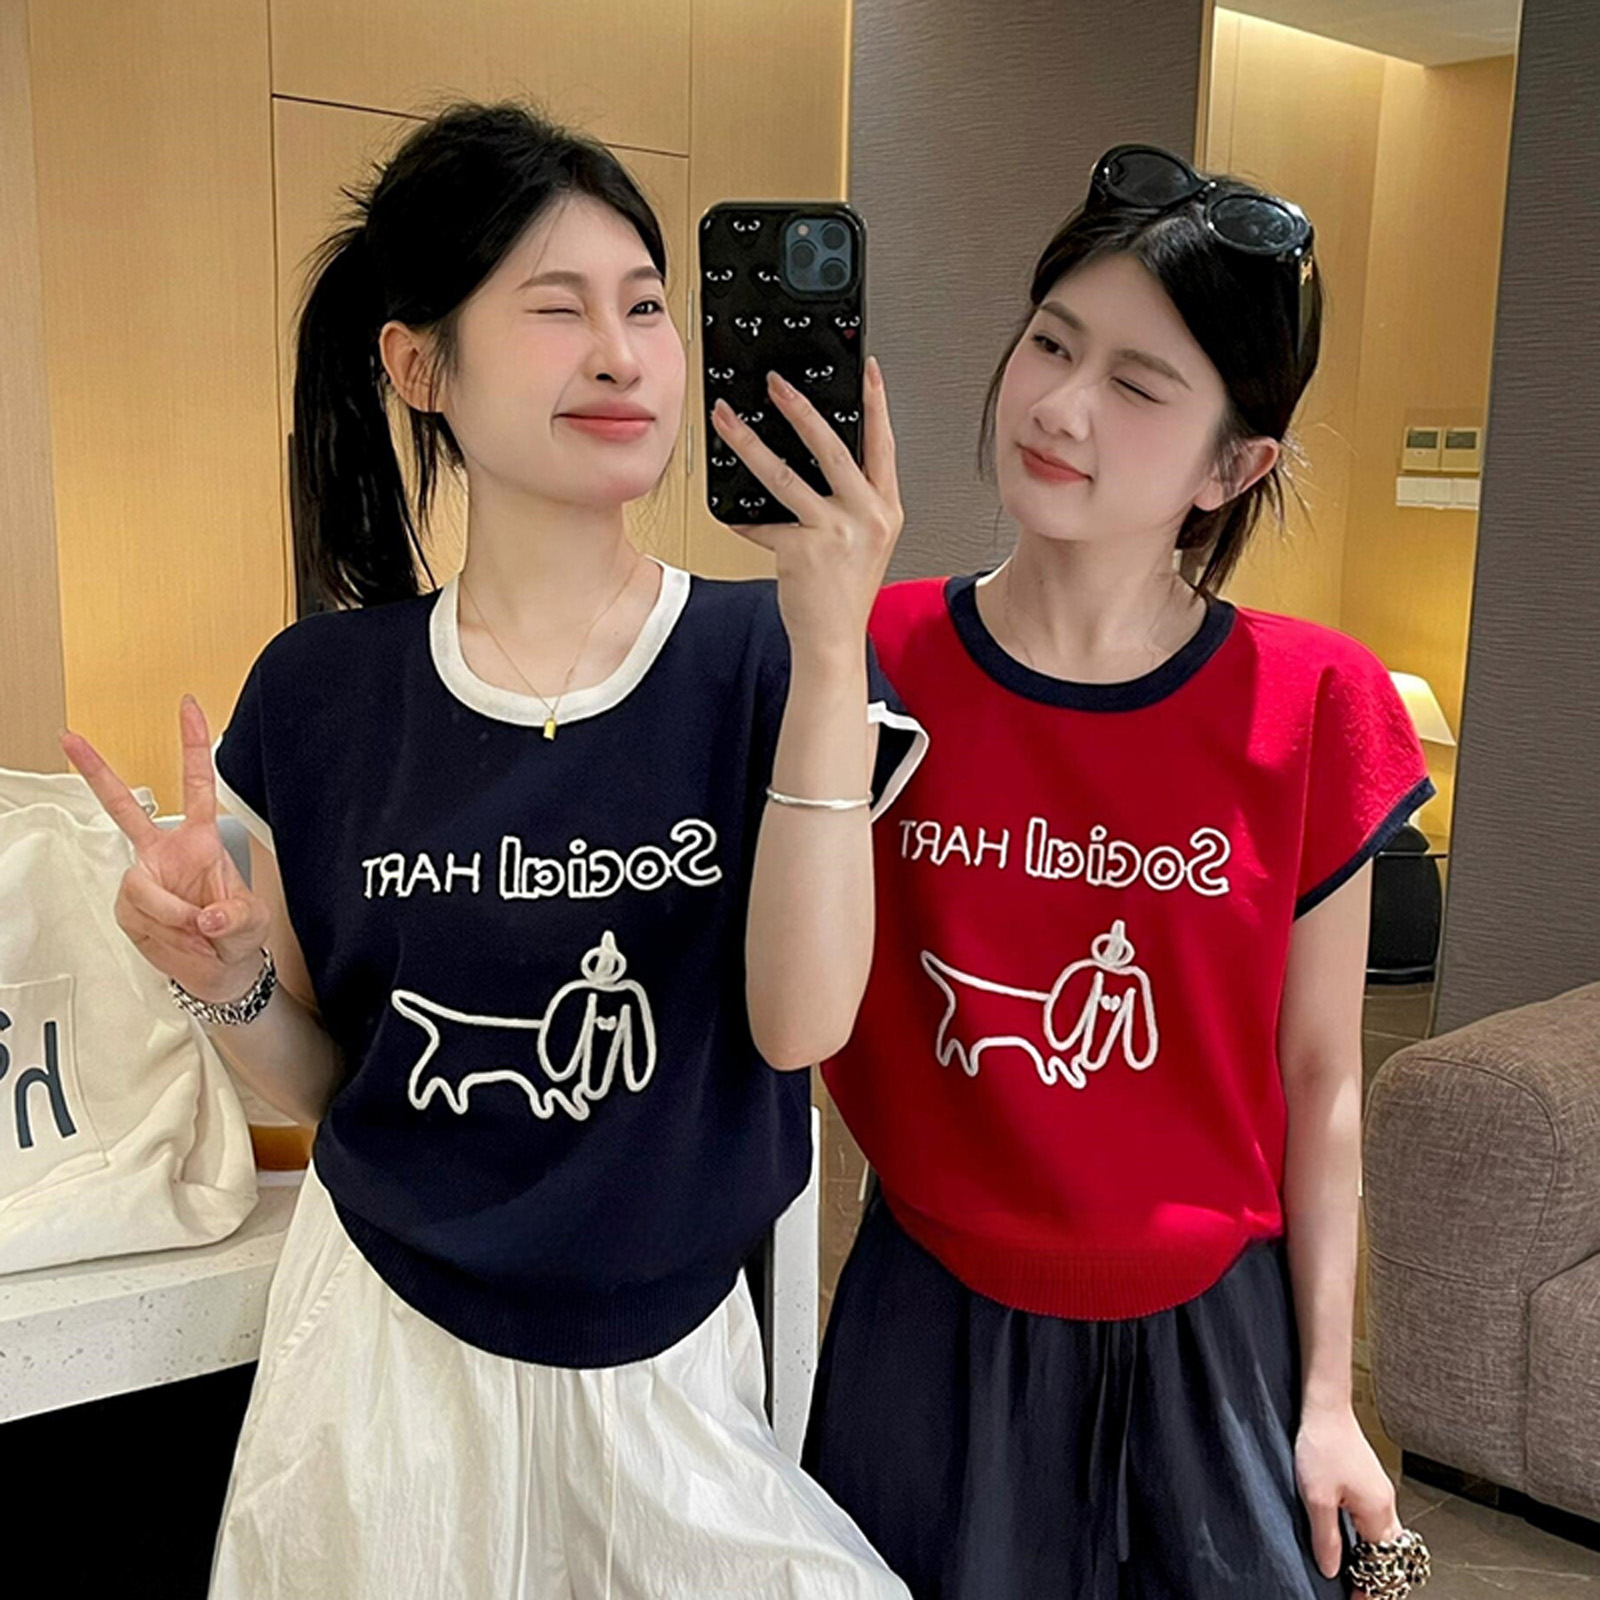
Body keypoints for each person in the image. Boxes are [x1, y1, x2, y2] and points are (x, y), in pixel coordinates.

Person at [64, 102, 922, 1600]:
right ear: (419, 366)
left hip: (668, 1375)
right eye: (556, 307)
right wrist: (229, 976)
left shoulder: (771, 658)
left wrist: (834, 636)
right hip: (379, 1368)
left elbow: (801, 1028)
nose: (622, 354)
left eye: (645, 307)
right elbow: (331, 1085)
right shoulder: (319, 693)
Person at [804, 144, 1435, 1600]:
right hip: (929, 1330)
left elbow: (1322, 1076)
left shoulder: (1314, 704)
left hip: (1212, 1346)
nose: (1060, 404)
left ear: (1234, 466)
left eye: (1139, 385)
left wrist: (1329, 1399)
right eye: (1052, 342)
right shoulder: (874, 658)